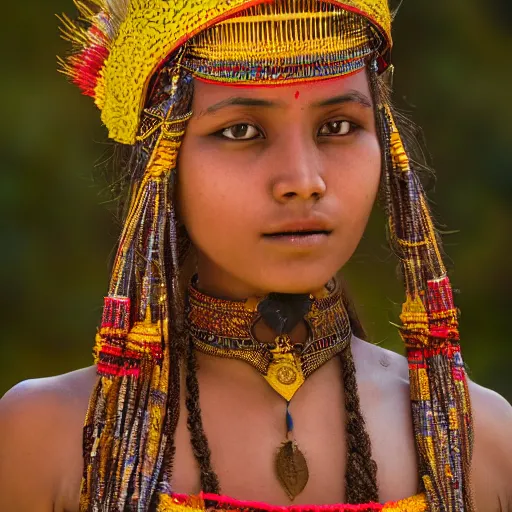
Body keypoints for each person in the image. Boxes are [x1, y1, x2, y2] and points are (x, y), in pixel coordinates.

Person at [0, 0, 511, 511]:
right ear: (163, 161)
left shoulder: (482, 441)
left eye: (338, 126)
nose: (304, 181)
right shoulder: (49, 439)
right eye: (241, 130)